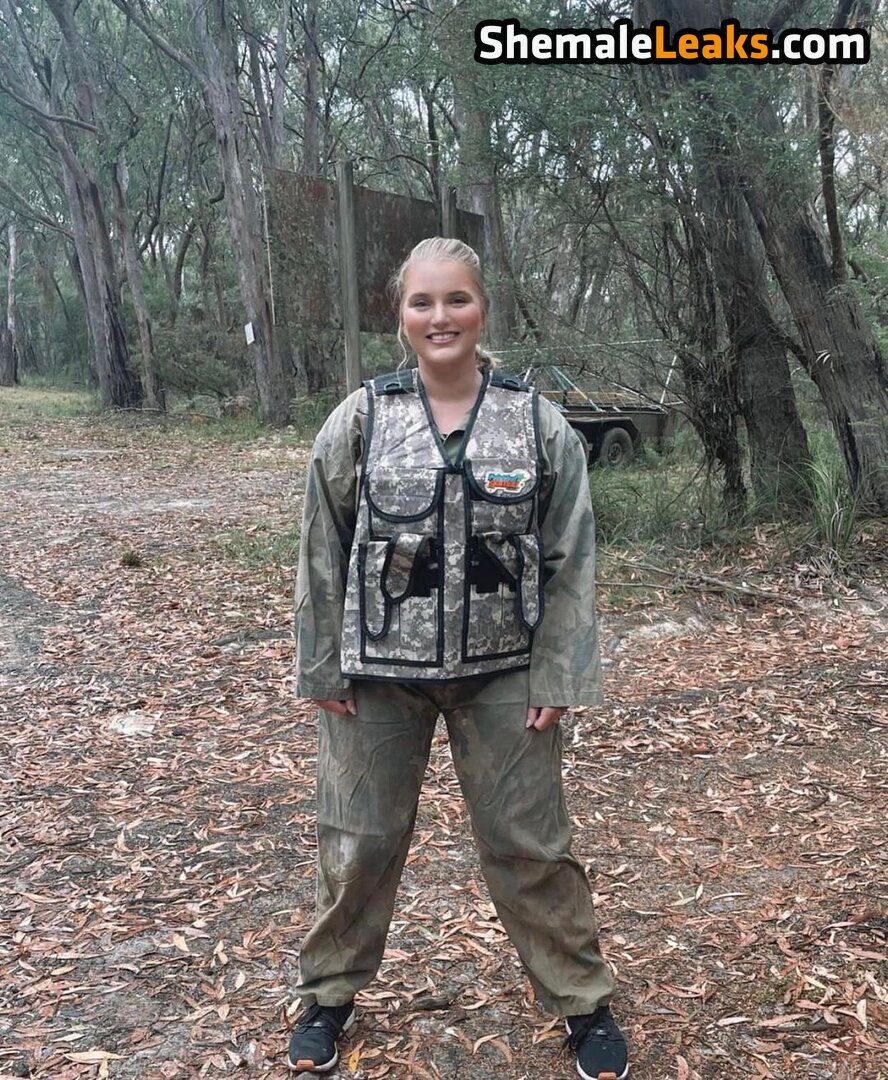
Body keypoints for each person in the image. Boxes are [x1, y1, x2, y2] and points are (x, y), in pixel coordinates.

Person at [288, 237, 628, 1080]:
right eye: (423, 302)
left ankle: (583, 1003)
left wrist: (559, 672)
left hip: (504, 672)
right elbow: (322, 547)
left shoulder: (536, 421)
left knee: (531, 845)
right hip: (377, 674)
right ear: (400, 315)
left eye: (457, 299)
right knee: (358, 842)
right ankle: (328, 994)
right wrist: (322, 664)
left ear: (482, 308)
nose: (440, 317)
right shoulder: (361, 419)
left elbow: (569, 555)